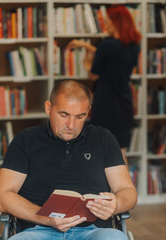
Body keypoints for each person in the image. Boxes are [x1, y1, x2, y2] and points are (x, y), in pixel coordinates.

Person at [0, 80, 137, 240]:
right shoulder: (25, 141)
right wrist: (46, 219)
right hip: (37, 230)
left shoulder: (103, 139)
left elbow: (128, 191)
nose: (71, 125)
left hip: (93, 231)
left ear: (88, 112)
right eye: (64, 115)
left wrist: (116, 204)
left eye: (80, 116)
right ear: (48, 108)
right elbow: (1, 197)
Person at [68, 5, 141, 165]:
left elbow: (93, 75)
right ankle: (125, 188)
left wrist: (87, 63)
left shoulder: (107, 45)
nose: (106, 25)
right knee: (120, 152)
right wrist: (86, 45)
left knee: (100, 150)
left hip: (106, 103)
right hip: (124, 102)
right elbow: (114, 57)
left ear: (117, 23)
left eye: (108, 22)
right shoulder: (134, 46)